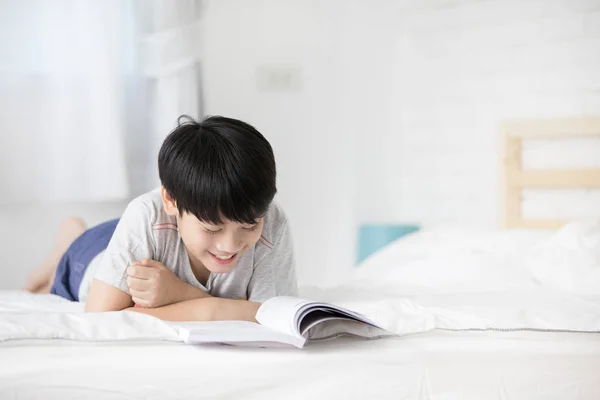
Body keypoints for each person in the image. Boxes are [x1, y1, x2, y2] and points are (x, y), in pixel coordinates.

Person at [24, 115, 297, 322]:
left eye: (249, 226)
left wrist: (181, 293)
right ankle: (68, 243)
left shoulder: (271, 220)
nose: (230, 245)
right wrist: (224, 307)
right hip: (91, 255)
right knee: (57, 280)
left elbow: (274, 317)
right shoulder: (145, 213)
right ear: (170, 201)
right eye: (212, 228)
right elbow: (101, 317)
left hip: (148, 236)